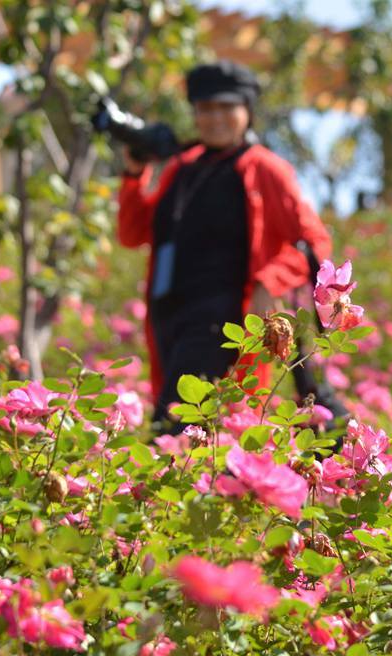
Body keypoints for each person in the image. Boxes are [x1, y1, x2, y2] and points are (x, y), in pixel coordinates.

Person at [116, 60, 335, 432]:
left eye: (225, 107)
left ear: (247, 110)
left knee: (176, 424)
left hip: (224, 321)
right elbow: (133, 233)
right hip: (170, 318)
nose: (214, 117)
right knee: (199, 431)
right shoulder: (182, 166)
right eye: (205, 108)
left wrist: (269, 283)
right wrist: (135, 173)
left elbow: (314, 241)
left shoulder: (264, 167)